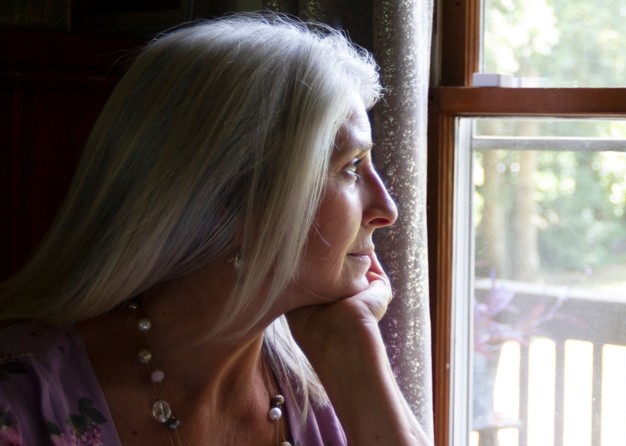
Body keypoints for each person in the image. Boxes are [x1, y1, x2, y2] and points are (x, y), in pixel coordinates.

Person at [0, 13, 430, 446]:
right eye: (352, 167)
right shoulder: (20, 405)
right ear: (236, 196)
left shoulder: (325, 384)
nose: (386, 210)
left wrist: (354, 355)